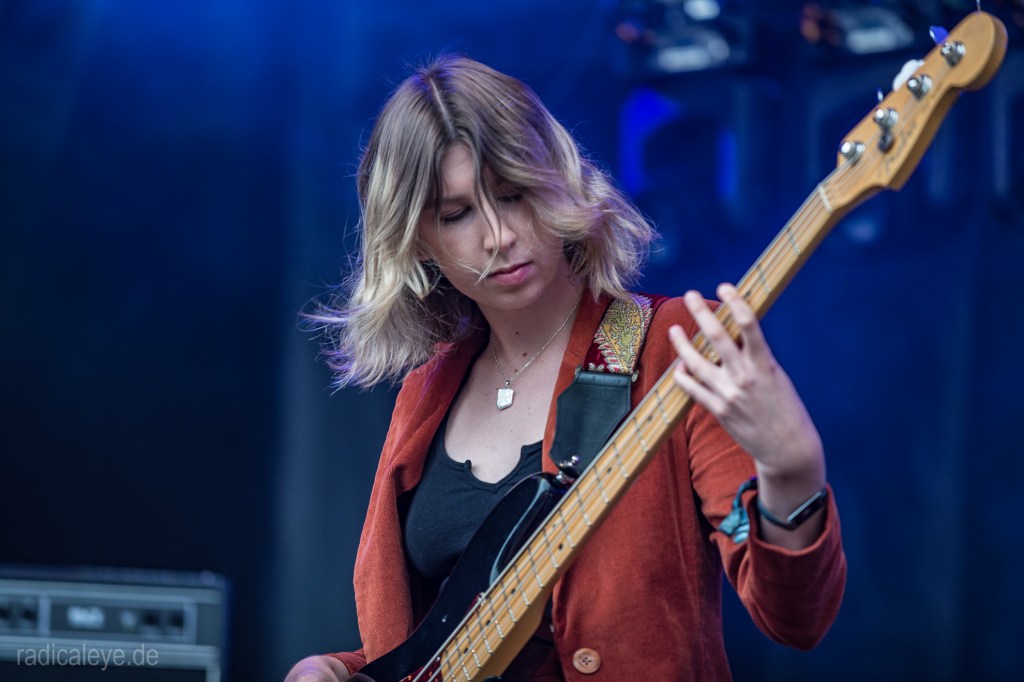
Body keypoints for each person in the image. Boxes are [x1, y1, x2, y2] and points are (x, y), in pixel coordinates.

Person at [285, 55, 845, 682]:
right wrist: (336, 669)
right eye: (456, 214)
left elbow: (795, 617)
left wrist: (793, 475)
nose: (497, 236)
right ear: (419, 242)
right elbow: (443, 650)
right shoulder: (427, 390)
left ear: (557, 180)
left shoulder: (676, 347)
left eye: (512, 194)